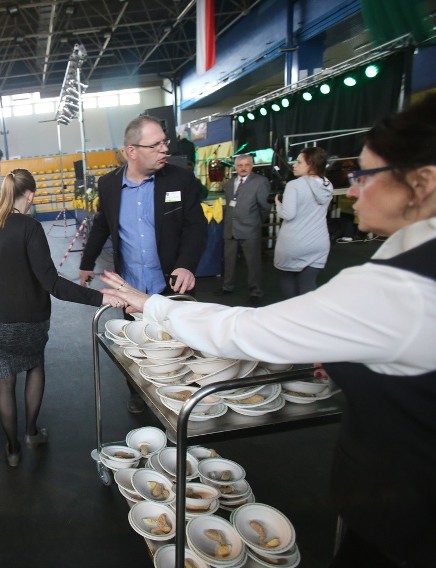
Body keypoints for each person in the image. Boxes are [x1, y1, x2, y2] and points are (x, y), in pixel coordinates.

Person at [100, 95, 436, 568]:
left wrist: (150, 305)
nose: (353, 190)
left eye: (364, 176)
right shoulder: (409, 257)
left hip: (406, 516)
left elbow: (246, 330)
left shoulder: (402, 288)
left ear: (421, 183)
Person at [0, 169, 120, 467]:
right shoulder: (29, 227)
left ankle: (12, 450)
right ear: (32, 195)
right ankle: (30, 433)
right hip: (26, 321)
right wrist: (101, 297)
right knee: (34, 365)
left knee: (4, 381)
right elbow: (52, 284)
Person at [78, 114, 207, 413]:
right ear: (132, 151)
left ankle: (181, 401)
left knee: (178, 345)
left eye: (165, 142)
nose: (165, 149)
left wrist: (187, 264)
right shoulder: (109, 184)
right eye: (156, 144)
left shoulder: (180, 179)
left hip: (169, 284)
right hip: (130, 287)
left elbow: (195, 226)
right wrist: (87, 262)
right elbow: (101, 224)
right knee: (135, 346)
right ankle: (137, 392)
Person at [274, 147, 334, 298]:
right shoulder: (328, 184)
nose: (294, 165)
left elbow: (288, 214)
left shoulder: (294, 185)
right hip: (319, 242)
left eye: (299, 162)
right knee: (308, 283)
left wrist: (278, 205)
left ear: (311, 165)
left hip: (294, 243)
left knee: (287, 280)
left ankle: (292, 316)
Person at [221, 154, 271, 303]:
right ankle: (227, 287)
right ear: (235, 167)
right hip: (230, 229)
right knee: (228, 262)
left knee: (253, 263)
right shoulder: (230, 183)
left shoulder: (261, 182)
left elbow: (265, 207)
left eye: (246, 165)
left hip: (250, 230)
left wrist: (255, 222)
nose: (243, 168)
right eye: (240, 165)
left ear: (252, 166)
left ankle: (255, 292)